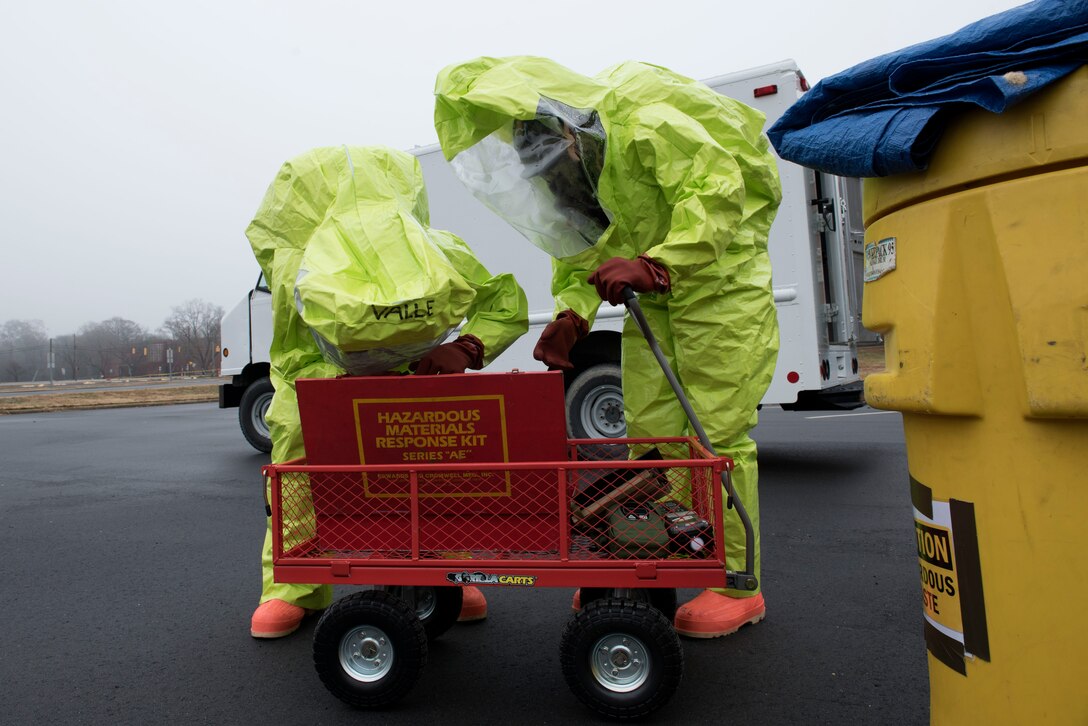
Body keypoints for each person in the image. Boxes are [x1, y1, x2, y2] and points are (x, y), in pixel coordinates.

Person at [434, 57, 781, 638]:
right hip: (660, 296)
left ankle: (736, 584)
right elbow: (578, 252)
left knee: (712, 436)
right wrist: (573, 314)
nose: (541, 169)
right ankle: (659, 560)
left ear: (567, 131)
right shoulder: (570, 172)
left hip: (721, 283)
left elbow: (718, 190)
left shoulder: (642, 120)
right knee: (650, 435)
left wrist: (658, 263)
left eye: (544, 154)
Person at [245, 145, 529, 638]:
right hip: (313, 385)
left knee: (432, 473)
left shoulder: (431, 248)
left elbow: (504, 302)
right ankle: (293, 586)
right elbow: (292, 344)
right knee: (294, 471)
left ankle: (449, 576)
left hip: (406, 386)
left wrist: (465, 348)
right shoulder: (299, 263)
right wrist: (328, 377)